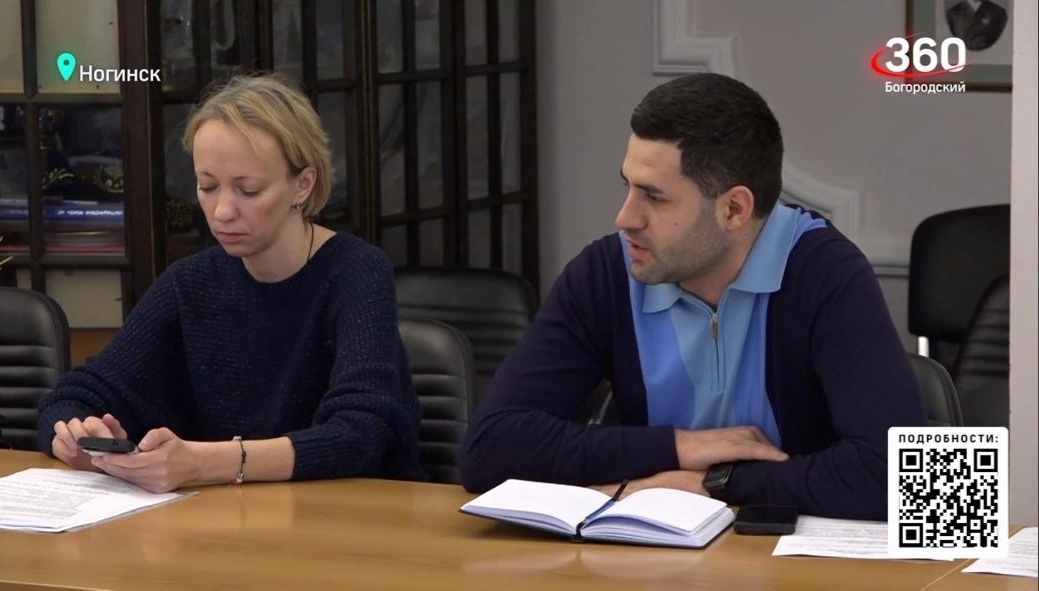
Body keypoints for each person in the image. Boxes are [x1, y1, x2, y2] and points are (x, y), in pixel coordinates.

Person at [459, 73, 927, 520]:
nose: (625, 218)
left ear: (734, 209)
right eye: (627, 186)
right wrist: (680, 447)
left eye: (654, 197)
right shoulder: (604, 275)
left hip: (793, 560)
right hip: (651, 552)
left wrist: (716, 483)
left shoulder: (824, 273)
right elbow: (487, 450)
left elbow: (912, 480)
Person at [38, 74, 424, 492]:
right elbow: (77, 393)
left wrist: (204, 462)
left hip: (349, 513)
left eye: (248, 190)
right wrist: (75, 434)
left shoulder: (356, 272)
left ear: (303, 184)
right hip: (224, 517)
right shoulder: (191, 282)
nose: (222, 211)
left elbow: (362, 433)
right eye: (207, 186)